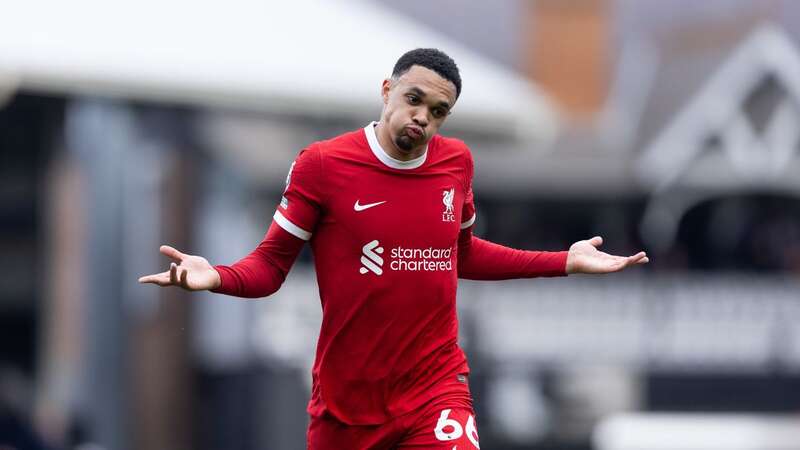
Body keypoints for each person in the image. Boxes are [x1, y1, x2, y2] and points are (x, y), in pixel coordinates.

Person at [139, 48, 648, 449]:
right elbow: (271, 267)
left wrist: (564, 260)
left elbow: (461, 254)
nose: (422, 117)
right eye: (414, 99)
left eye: (438, 111)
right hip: (347, 406)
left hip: (435, 387)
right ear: (387, 91)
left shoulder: (456, 164)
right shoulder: (323, 165)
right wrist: (217, 277)